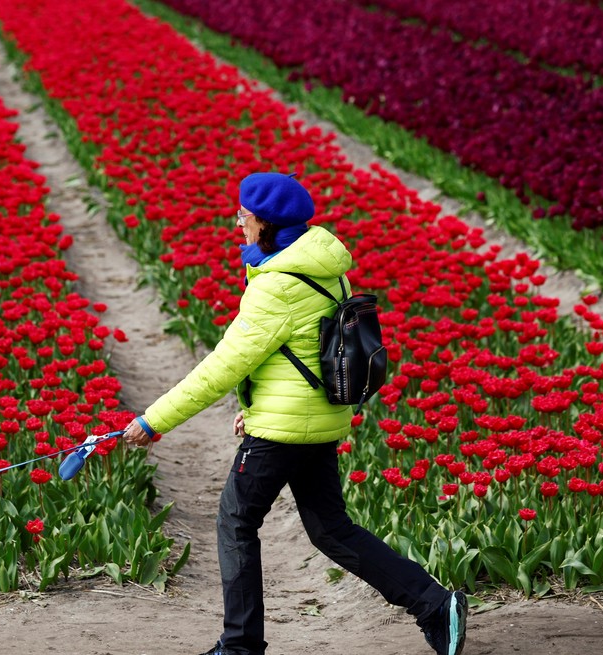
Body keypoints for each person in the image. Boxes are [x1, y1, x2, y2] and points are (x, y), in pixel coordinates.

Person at [121, 172, 467, 655]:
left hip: (285, 431)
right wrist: (257, 407)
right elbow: (300, 350)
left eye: (243, 215)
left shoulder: (277, 285)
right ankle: (434, 603)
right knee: (330, 529)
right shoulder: (323, 265)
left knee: (235, 522)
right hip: (316, 418)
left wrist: (153, 420)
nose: (237, 223)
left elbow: (223, 366)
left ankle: (239, 646)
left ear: (264, 223)